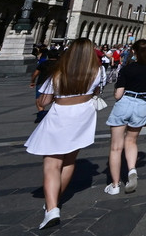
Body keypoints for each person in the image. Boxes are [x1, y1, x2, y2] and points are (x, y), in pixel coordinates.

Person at [24, 38, 105, 229]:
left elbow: (44, 102)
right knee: (69, 161)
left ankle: (52, 208)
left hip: (60, 118)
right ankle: (53, 202)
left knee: (52, 164)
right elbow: (98, 91)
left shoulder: (58, 73)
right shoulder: (97, 71)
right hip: (83, 118)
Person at [104, 39, 146, 195]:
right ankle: (131, 171)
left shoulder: (128, 68)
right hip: (142, 104)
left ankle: (115, 185)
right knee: (131, 141)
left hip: (125, 103)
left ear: (134, 51)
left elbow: (118, 94)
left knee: (116, 147)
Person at [30, 49, 60, 123]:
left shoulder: (43, 63)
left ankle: (41, 113)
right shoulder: (60, 64)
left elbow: (35, 74)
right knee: (56, 99)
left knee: (38, 100)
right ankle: (54, 114)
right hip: (56, 84)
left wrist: (32, 81)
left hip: (41, 83)